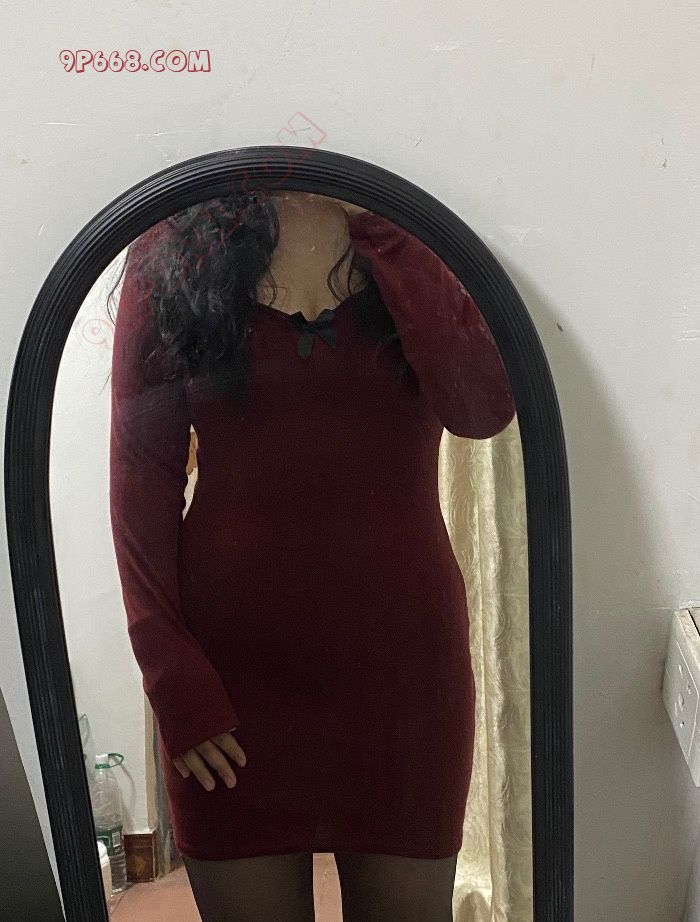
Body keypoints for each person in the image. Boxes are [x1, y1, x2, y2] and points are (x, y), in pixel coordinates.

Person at [108, 190, 516, 921]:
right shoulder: (174, 243)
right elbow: (141, 482)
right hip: (227, 675)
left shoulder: (417, 227)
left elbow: (481, 405)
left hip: (404, 672)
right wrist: (169, 673)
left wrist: (380, 220)